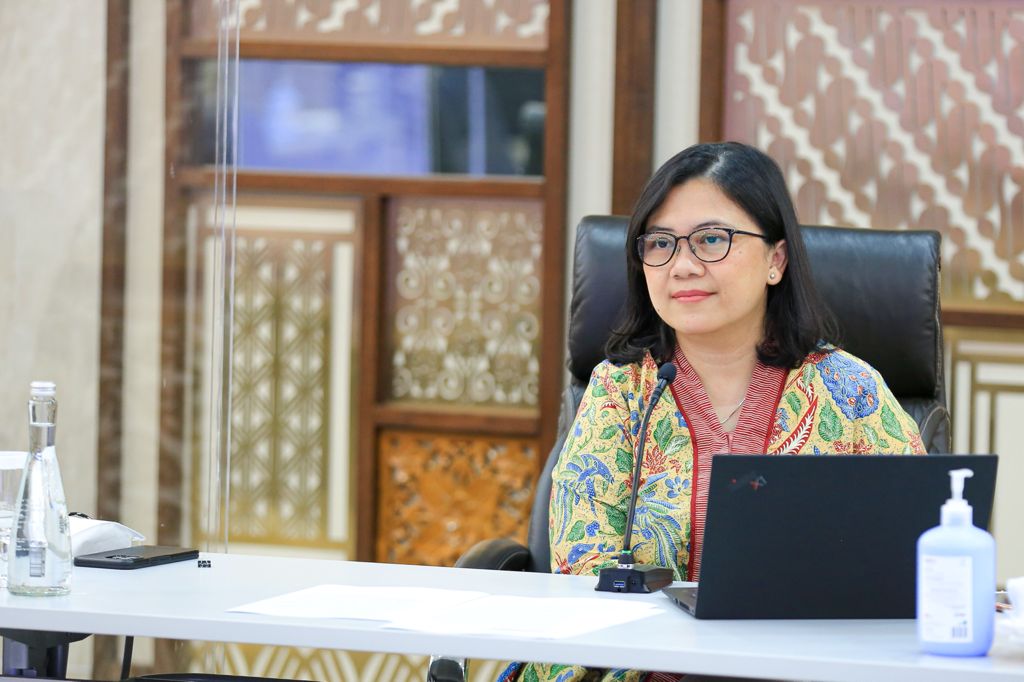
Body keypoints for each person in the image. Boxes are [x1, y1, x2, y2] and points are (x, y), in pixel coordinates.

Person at [498, 142, 925, 682]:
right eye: (661, 243)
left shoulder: (850, 391)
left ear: (776, 260)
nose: (682, 266)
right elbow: (582, 568)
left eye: (712, 239)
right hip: (641, 668)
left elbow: (913, 557)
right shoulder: (621, 391)